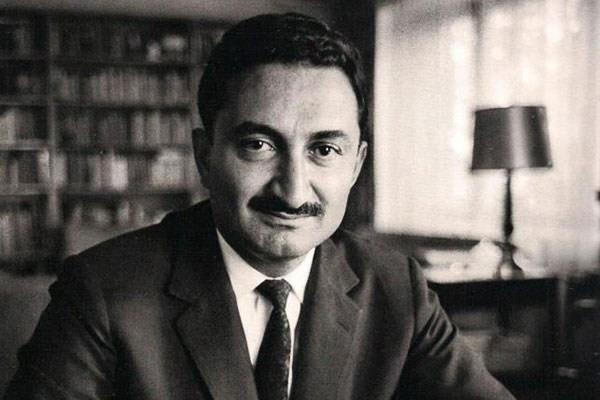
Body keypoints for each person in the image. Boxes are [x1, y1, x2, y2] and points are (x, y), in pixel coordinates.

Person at [5, 13, 515, 400]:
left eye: (324, 149)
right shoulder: (102, 292)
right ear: (205, 155)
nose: (293, 192)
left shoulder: (398, 290)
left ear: (356, 165)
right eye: (259, 145)